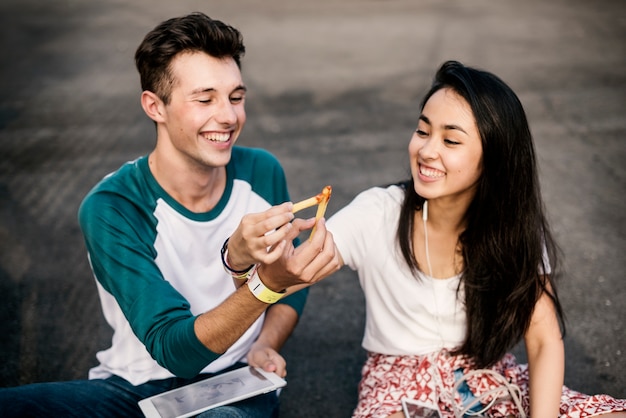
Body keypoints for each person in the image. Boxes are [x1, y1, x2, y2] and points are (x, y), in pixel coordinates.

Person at [0, 12, 338, 418]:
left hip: (232, 383)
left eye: (236, 96)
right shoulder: (114, 206)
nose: (229, 117)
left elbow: (292, 285)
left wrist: (267, 342)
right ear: (154, 106)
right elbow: (175, 351)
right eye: (205, 98)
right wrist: (265, 286)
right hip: (132, 386)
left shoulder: (261, 172)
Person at [325, 61, 626, 417]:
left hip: (487, 378)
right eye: (423, 131)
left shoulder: (513, 228)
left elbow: (544, 341)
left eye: (450, 140)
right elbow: (298, 264)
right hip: (399, 388)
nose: (426, 151)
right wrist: (251, 257)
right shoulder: (379, 211)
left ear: (494, 159)